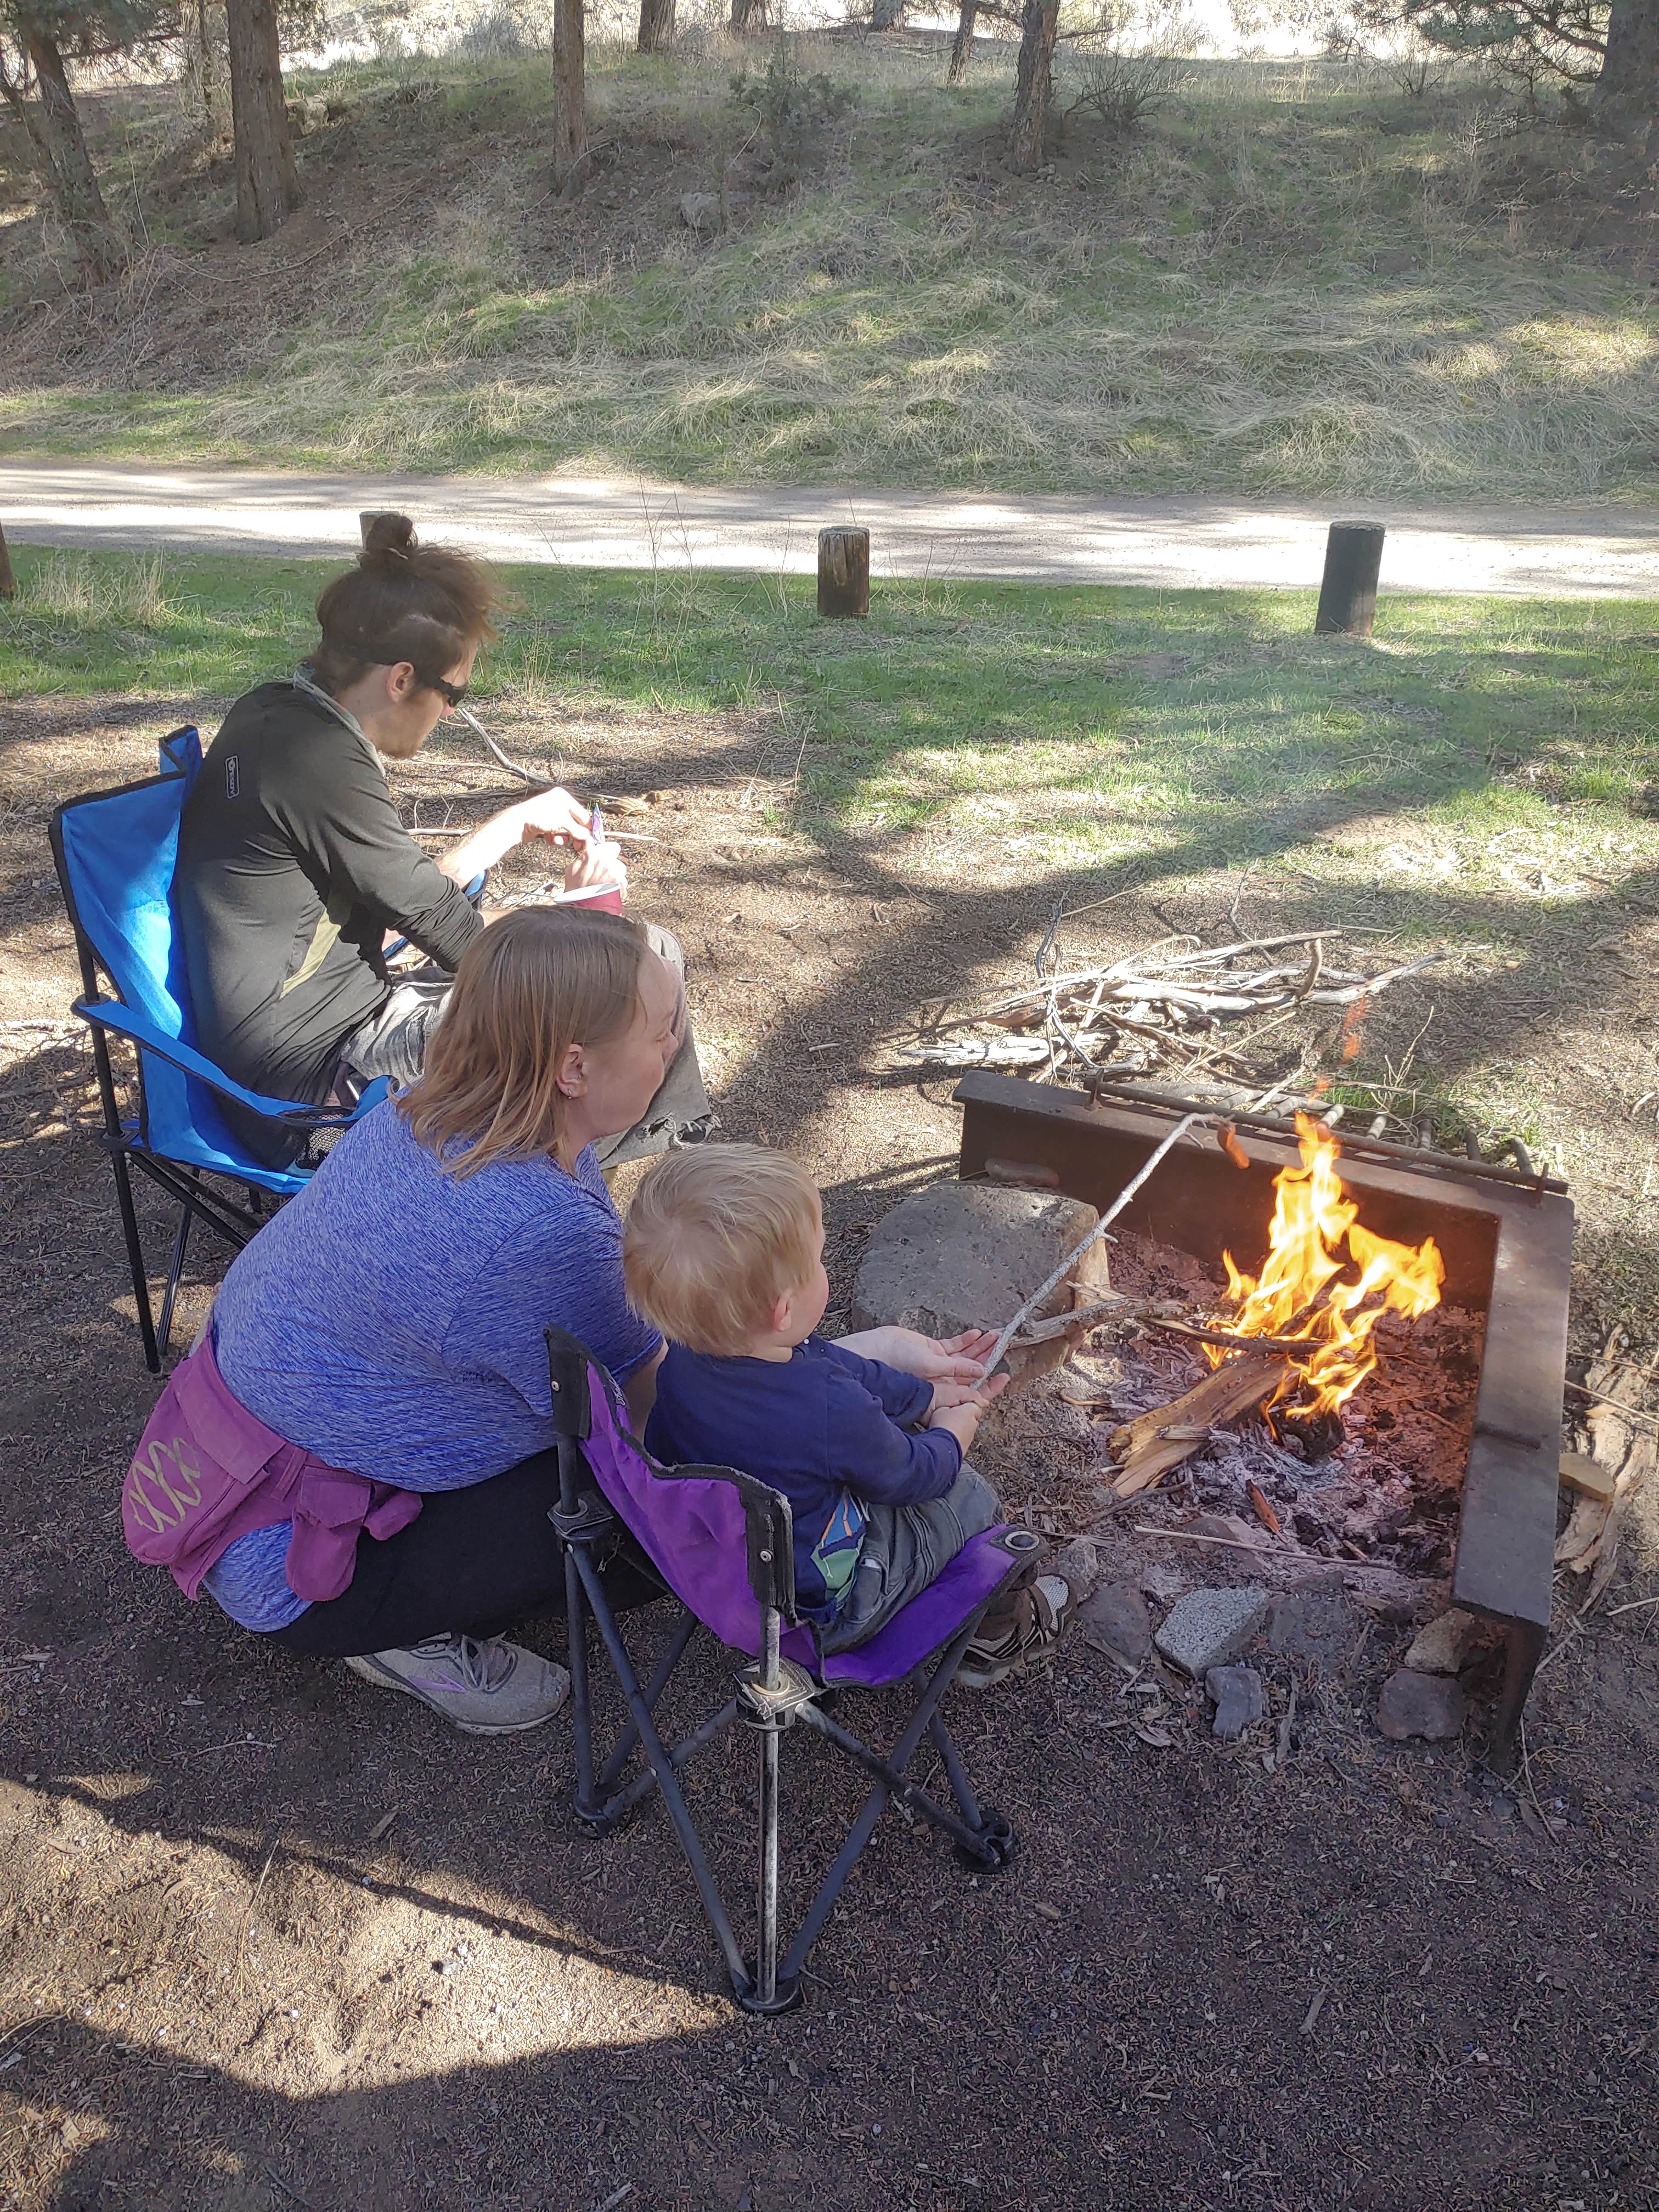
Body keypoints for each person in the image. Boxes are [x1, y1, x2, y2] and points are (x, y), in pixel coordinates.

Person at [121, 910, 1002, 1734]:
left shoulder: (423, 1112)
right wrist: (863, 1384)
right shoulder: (538, 1233)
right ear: (574, 1068)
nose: (677, 1045)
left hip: (224, 1465)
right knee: (668, 1507)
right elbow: (692, 1416)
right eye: (662, 1030)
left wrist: (873, 1355)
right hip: (311, 1567)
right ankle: (402, 1635)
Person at [173, 510, 710, 1165]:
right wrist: (581, 916)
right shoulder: (317, 762)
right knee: (637, 965)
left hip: (332, 1029)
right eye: (453, 691)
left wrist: (506, 827)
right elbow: (459, 941)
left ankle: (664, 1149)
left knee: (624, 965)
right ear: (401, 680)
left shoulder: (276, 713)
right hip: (321, 1094)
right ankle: (639, 1171)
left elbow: (399, 902)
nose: (453, 711)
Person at [623, 1144, 1076, 1676]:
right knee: (969, 1494)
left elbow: (832, 1363)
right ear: (783, 1309)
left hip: (729, 1570)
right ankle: (996, 1636)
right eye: (816, 1261)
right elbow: (914, 1476)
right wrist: (953, 1431)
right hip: (824, 1606)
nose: (823, 1267)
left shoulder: (688, 1356)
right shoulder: (826, 1411)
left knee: (891, 1437)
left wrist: (923, 1394)